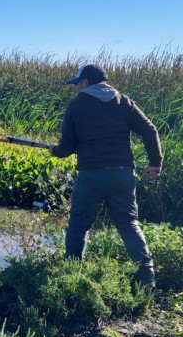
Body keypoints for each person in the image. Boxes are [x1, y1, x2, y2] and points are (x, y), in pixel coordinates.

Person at [48, 63, 162, 287]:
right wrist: (155, 164)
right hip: (122, 175)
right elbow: (150, 130)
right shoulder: (123, 101)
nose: (75, 89)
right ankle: (147, 279)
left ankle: (72, 274)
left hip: (91, 175)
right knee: (128, 223)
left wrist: (54, 150)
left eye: (77, 84)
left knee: (79, 224)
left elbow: (67, 148)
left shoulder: (76, 105)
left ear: (86, 82)